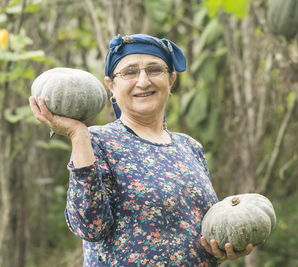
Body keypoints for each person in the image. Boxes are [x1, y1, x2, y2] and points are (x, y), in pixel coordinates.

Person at [29, 33, 255, 266]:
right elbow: (89, 227)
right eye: (130, 72)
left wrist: (225, 244)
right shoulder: (96, 141)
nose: (143, 81)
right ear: (111, 86)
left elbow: (208, 227)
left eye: (154, 69)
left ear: (171, 80)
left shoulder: (190, 147)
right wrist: (77, 134)